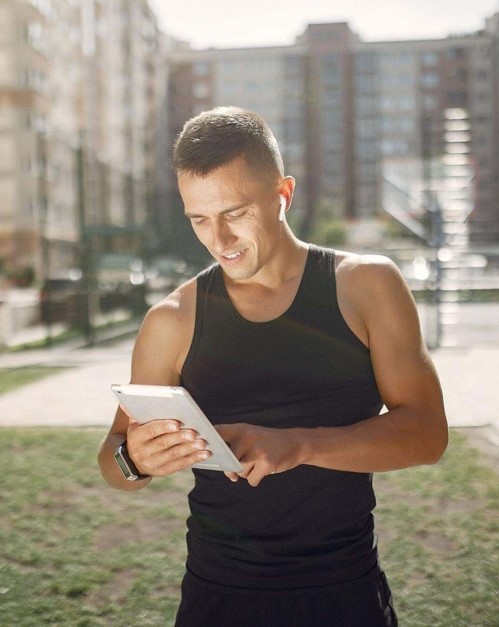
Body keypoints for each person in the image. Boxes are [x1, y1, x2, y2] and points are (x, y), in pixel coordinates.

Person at [98, 106, 448, 626]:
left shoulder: (366, 286)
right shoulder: (170, 320)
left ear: (283, 195)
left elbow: (428, 435)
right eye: (199, 219)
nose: (219, 241)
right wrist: (137, 460)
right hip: (218, 597)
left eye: (235, 213)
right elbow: (114, 461)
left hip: (343, 591)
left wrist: (299, 444)